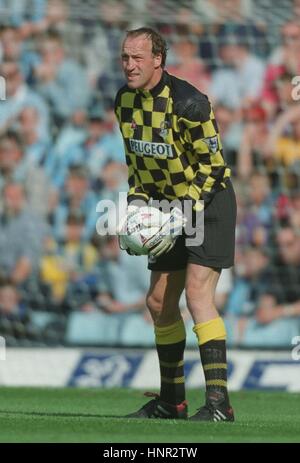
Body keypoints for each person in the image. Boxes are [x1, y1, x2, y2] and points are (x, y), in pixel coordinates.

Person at [115, 27, 236, 421]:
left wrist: (180, 215)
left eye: (137, 58)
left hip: (209, 201)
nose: (130, 65)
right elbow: (138, 166)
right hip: (169, 207)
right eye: (124, 58)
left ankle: (219, 404)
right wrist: (135, 208)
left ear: (157, 60)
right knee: (158, 303)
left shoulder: (189, 102)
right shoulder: (125, 102)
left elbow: (214, 169)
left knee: (198, 296)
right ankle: (173, 402)